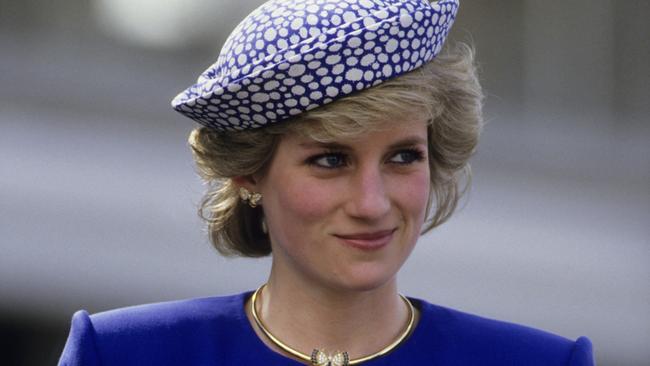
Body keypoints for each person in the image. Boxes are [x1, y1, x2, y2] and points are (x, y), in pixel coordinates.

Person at [59, 0, 595, 365]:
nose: (371, 202)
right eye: (331, 160)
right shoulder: (125, 354)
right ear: (250, 170)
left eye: (403, 156)